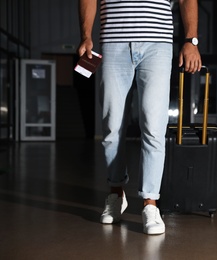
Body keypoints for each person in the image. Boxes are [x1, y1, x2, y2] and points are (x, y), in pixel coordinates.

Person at [77, 0, 202, 235]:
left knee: (153, 126)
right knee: (112, 125)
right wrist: (85, 35)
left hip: (158, 44)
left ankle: (150, 203)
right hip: (113, 42)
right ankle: (116, 194)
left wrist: (190, 40)